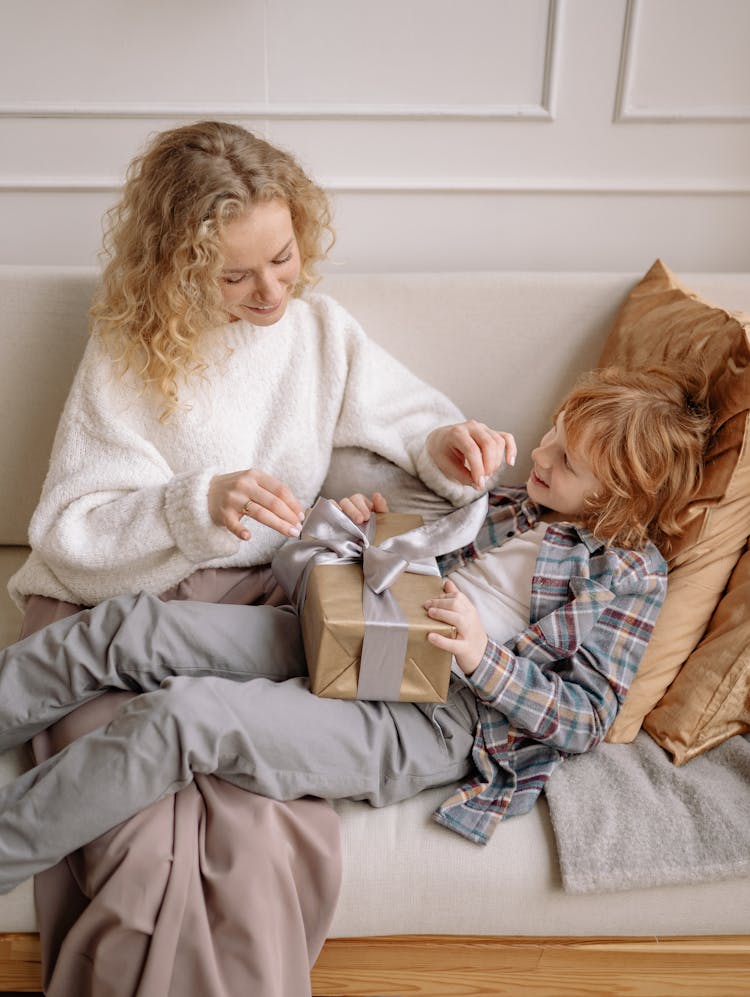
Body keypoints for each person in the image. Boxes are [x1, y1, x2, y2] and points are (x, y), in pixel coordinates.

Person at [6, 120, 480, 997]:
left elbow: (418, 428)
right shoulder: (127, 349)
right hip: (106, 610)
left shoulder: (322, 334)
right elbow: (69, 530)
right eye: (235, 274)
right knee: (140, 849)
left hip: (255, 611)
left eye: (285, 257)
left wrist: (453, 444)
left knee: (257, 848)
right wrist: (196, 504)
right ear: (182, 265)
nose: (270, 291)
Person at [0, 364, 711, 883]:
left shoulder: (629, 577)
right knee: (129, 628)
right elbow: (383, 558)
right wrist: (349, 528)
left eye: (567, 459)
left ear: (622, 494)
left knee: (186, 716)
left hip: (435, 715)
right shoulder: (513, 505)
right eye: (553, 432)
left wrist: (478, 655)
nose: (542, 454)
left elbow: (586, 718)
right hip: (355, 630)